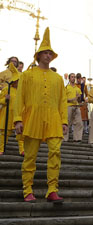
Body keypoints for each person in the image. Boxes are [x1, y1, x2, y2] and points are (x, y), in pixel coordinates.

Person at [14, 27, 67, 203]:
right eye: (44, 52)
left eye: (49, 53)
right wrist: (17, 119)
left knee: (55, 152)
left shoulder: (58, 78)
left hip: (53, 119)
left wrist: (64, 121)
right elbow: (19, 98)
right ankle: (27, 190)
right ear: (38, 55)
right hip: (32, 118)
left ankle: (52, 189)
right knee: (30, 156)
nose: (47, 55)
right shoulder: (27, 75)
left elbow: (62, 101)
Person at [0, 63, 24, 156]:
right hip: (7, 114)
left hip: (17, 114)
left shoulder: (20, 92)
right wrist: (5, 99)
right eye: (18, 81)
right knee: (4, 133)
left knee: (20, 133)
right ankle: (1, 149)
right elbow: (0, 101)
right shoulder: (6, 89)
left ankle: (22, 150)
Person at [64, 73, 83, 142]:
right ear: (69, 78)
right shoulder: (66, 88)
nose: (73, 78)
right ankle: (65, 138)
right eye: (72, 77)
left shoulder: (77, 88)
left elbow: (80, 99)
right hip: (69, 106)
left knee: (79, 123)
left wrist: (78, 97)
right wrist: (73, 99)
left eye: (74, 77)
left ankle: (77, 138)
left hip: (77, 106)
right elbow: (64, 99)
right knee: (67, 122)